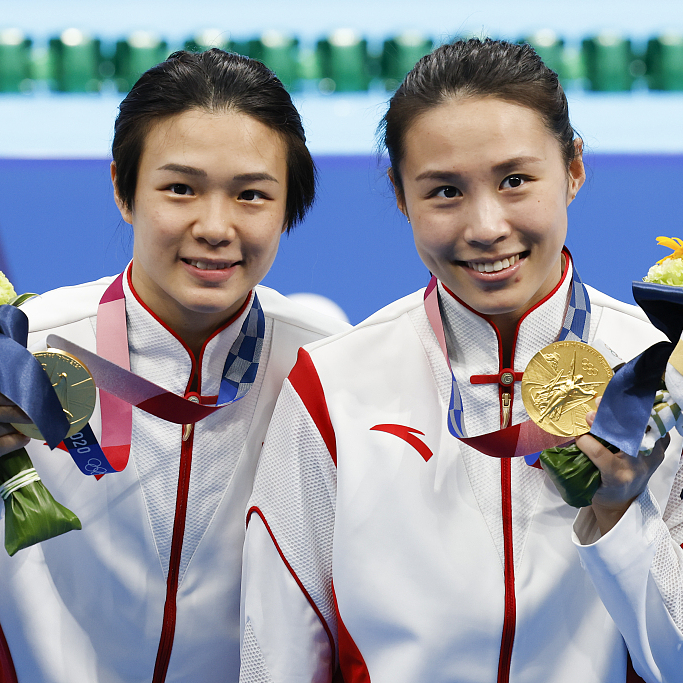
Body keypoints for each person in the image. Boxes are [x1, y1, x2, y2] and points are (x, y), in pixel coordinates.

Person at [240, 39, 683, 683]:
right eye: (445, 191)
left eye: (515, 181)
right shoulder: (334, 384)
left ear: (574, 168)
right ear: (400, 195)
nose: (485, 226)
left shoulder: (662, 368)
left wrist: (621, 513)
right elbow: (273, 650)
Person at [0, 49, 348, 683]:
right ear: (123, 189)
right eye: (181, 188)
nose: (215, 226)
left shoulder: (327, 364)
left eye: (250, 195)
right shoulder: (23, 354)